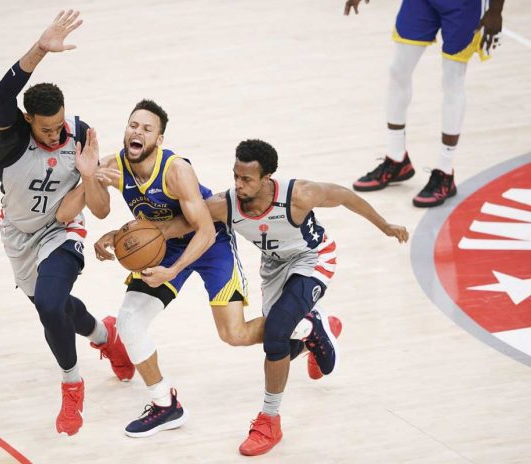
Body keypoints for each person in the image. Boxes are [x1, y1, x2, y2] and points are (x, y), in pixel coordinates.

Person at [72, 100, 338, 438]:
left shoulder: (176, 170)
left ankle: (305, 327)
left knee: (234, 335)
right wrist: (90, 178)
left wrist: (172, 270)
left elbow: (206, 230)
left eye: (146, 128)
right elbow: (99, 209)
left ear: (160, 138)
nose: (137, 132)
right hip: (163, 245)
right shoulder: (114, 165)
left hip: (210, 245)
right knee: (130, 321)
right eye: (133, 125)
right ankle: (164, 404)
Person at [160, 139, 408, 456]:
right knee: (282, 343)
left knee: (275, 336)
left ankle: (269, 420)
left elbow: (345, 196)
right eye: (235, 176)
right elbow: (190, 221)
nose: (238, 184)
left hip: (313, 259)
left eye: (246, 179)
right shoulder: (228, 204)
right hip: (274, 269)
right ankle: (312, 331)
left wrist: (385, 226)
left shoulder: (299, 194)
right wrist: (142, 234)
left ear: (267, 178)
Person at [0, 10, 133, 437]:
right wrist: (39, 49)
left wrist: (90, 176)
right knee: (58, 309)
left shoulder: (80, 134)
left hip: (62, 231)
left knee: (52, 305)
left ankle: (72, 385)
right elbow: (1, 93)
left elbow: (96, 211)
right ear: (28, 121)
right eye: (47, 130)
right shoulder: (12, 137)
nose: (57, 136)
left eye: (60, 126)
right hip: (19, 234)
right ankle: (106, 335)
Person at [346, 0, 505, 207]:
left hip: (464, 5)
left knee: (452, 79)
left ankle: (445, 172)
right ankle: (396, 159)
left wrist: (495, 10)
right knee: (398, 70)